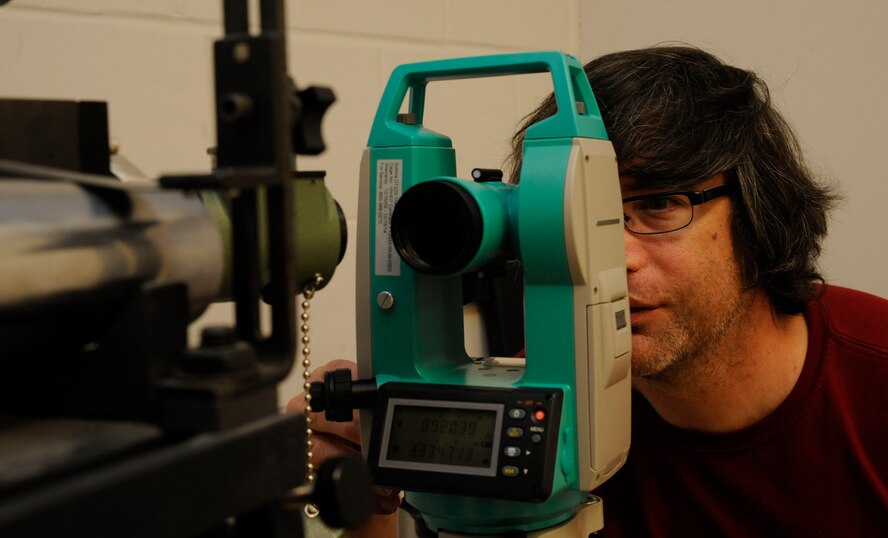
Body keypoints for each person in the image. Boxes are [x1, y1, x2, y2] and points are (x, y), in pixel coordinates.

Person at [289, 45, 888, 536]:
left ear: (759, 213)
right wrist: (364, 503)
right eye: (585, 214)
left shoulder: (874, 380)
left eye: (657, 203)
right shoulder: (537, 401)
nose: (614, 255)